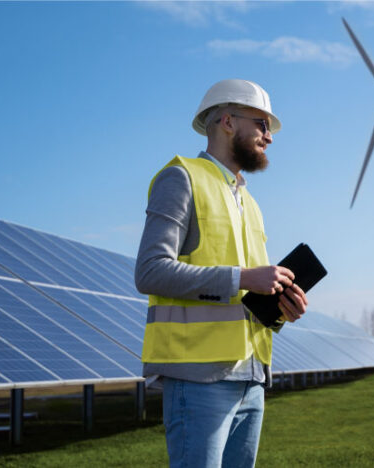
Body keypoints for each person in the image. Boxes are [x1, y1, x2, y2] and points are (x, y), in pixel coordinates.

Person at [135, 78, 308, 468]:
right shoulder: (181, 178)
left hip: (252, 379)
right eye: (262, 124)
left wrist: (281, 309)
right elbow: (150, 270)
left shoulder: (250, 202)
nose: (270, 136)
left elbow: (248, 293)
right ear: (228, 121)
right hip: (198, 379)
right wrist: (243, 278)